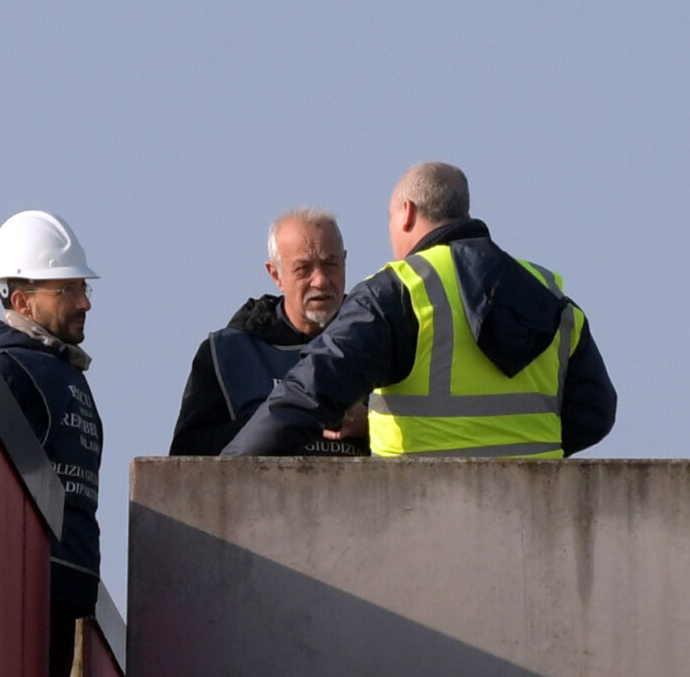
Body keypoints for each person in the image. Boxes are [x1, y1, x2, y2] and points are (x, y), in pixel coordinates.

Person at [224, 162, 615, 458]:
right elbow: (595, 414)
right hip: (533, 531)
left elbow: (305, 397)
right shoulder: (547, 292)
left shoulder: (399, 291)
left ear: (406, 212)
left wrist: (229, 475)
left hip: (420, 526)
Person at [0, 209, 104, 677]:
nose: (85, 302)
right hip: (23, 598)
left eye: (83, 288)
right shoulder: (9, 370)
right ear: (23, 301)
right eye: (67, 289)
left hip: (64, 597)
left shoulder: (64, 374)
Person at [169, 208, 368, 456]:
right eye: (303, 269)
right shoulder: (227, 354)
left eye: (330, 265)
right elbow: (185, 456)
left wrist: (371, 425)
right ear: (276, 274)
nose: (320, 280)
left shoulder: (378, 340)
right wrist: (278, 420)